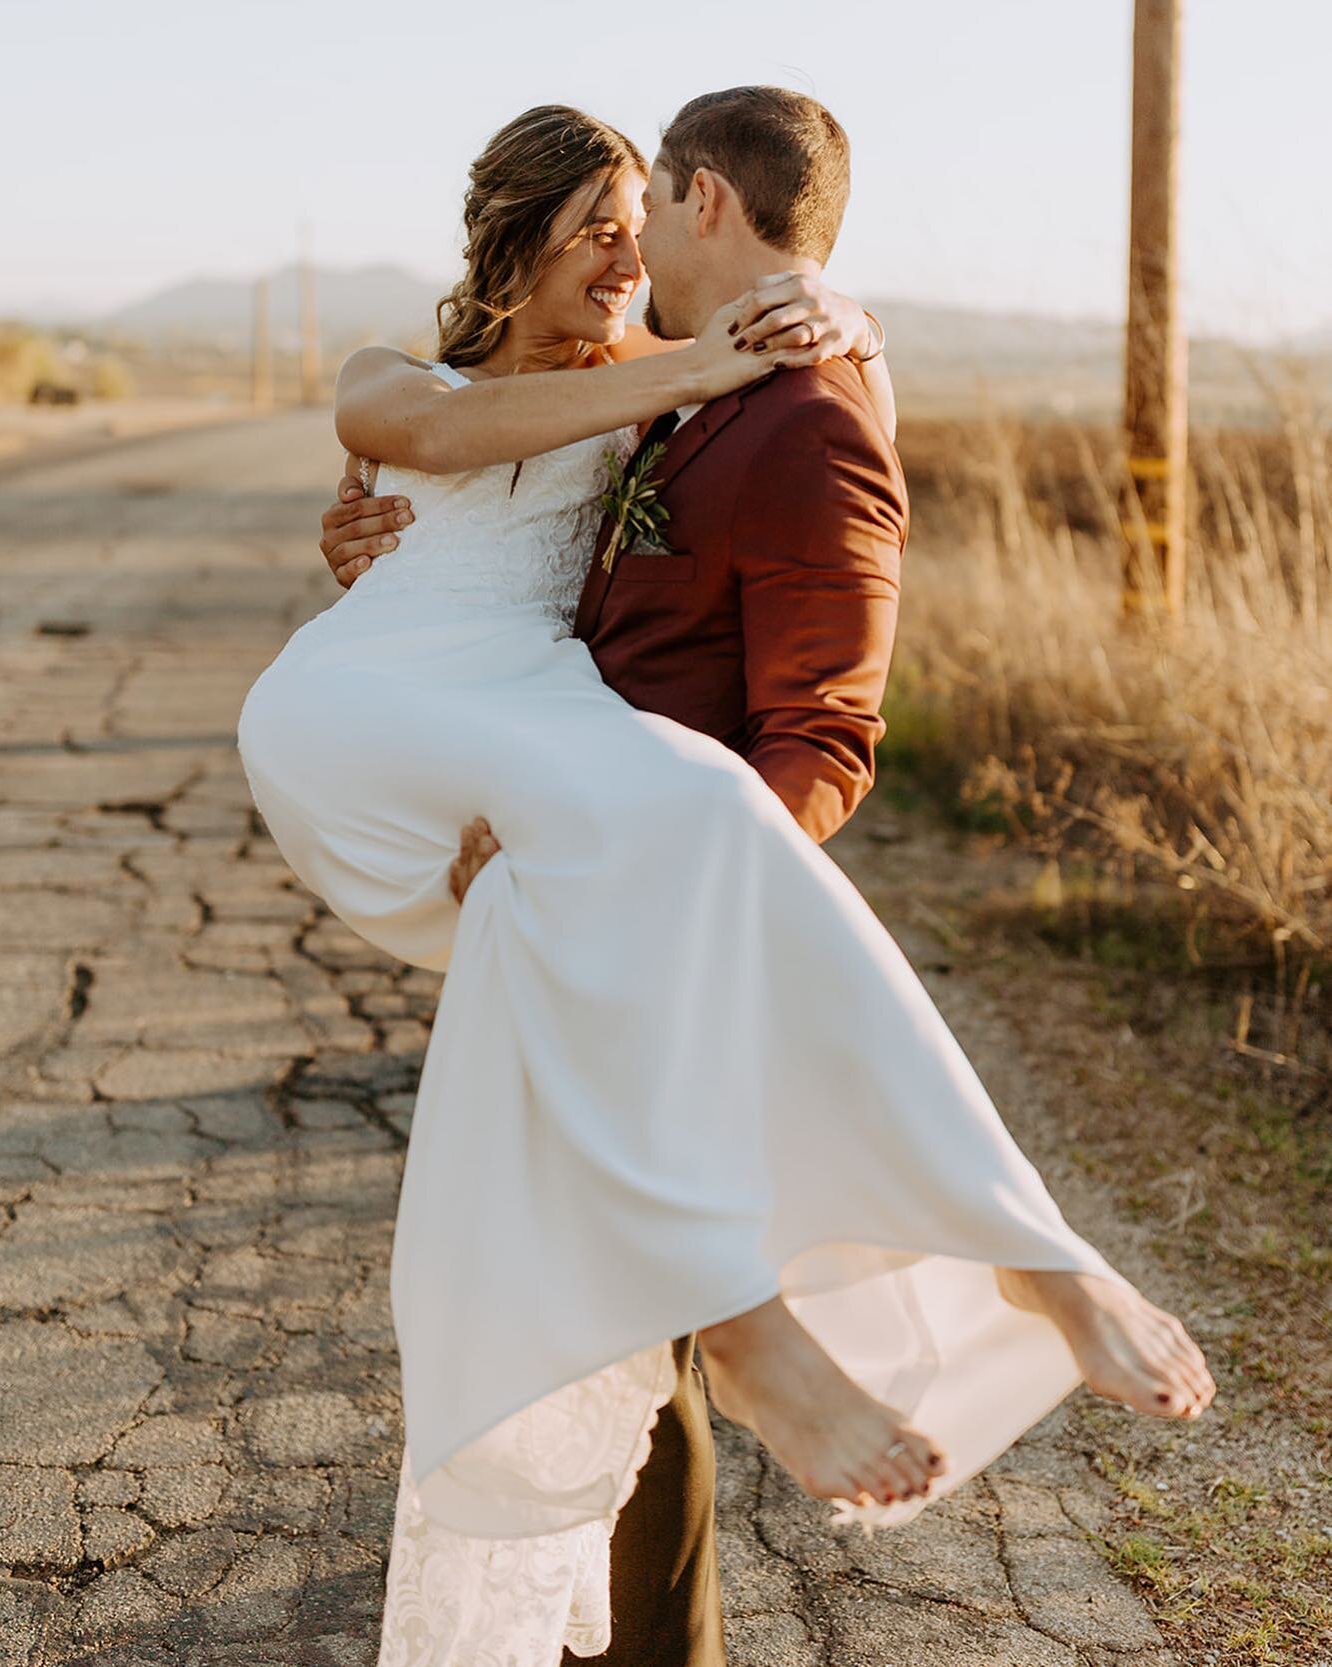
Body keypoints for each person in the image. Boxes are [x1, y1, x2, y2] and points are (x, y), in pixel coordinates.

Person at [242, 90, 1215, 1667]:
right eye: (593, 235)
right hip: (379, 718)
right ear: (517, 241)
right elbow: (420, 441)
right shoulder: (406, 376)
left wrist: (842, 319)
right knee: (684, 820)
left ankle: (1006, 1264)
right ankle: (822, 1324)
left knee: (673, 892)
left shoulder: (663, 391)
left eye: (641, 230)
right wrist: (701, 359)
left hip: (544, 757)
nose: (625, 262)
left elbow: (828, 404)